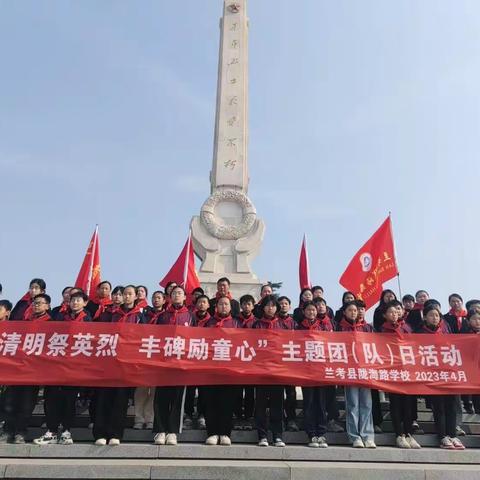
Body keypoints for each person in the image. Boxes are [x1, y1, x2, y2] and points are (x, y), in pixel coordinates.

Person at [34, 292, 92, 446]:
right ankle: (51, 431)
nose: (75, 303)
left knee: (69, 400)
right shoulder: (60, 317)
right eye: (73, 300)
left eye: (78, 300)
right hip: (56, 364)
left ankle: (66, 430)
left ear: (85, 303)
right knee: (51, 399)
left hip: (74, 367)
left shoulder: (87, 319)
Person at [93, 285, 141, 446]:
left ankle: (115, 433)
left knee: (120, 401)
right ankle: (100, 433)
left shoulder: (141, 316)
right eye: (123, 294)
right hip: (108, 362)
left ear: (135, 297)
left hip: (126, 365)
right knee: (103, 399)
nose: (126, 297)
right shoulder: (109, 314)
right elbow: (100, 334)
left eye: (129, 294)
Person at [1, 293, 51, 444]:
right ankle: (7, 431)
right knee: (10, 402)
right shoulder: (24, 322)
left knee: (26, 404)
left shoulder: (51, 323)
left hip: (34, 372)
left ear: (47, 306)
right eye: (35, 303)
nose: (37, 305)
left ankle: (20, 432)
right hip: (17, 370)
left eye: (40, 303)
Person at [414, 303, 465, 450]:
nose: (435, 318)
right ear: (425, 317)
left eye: (437, 315)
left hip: (449, 375)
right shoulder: (419, 333)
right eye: (431, 315)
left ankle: (452, 435)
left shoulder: (446, 331)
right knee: (439, 407)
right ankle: (442, 436)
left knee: (452, 406)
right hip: (433, 376)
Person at [152, 286, 193, 445]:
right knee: (160, 397)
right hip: (164, 362)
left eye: (179, 293)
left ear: (184, 297)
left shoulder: (190, 316)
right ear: (169, 297)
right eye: (174, 293)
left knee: (177, 399)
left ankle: (173, 431)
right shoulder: (162, 316)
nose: (176, 295)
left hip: (181, 363)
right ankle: (160, 431)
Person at [253, 295, 294, 447]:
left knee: (278, 405)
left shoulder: (283, 326)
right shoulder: (257, 325)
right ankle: (262, 435)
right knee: (261, 406)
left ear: (277, 308)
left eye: (273, 305)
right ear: (263, 307)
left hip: (278, 372)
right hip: (261, 372)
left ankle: (278, 435)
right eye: (267, 305)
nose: (270, 308)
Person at [380, 301, 420, 449]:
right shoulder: (382, 330)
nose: (394, 314)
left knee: (408, 405)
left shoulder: (407, 328)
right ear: (385, 315)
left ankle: (409, 434)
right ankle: (399, 435)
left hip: (408, 371)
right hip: (393, 372)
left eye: (397, 311)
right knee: (396, 405)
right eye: (391, 312)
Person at [201, 296, 240, 446]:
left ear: (231, 307)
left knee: (227, 403)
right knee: (211, 402)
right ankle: (212, 432)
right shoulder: (207, 323)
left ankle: (225, 433)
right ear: (216, 307)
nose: (223, 306)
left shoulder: (237, 323)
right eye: (221, 304)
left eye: (226, 304)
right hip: (210, 369)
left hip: (230, 370)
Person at [336, 300, 375, 448]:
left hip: (365, 371)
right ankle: (354, 436)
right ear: (345, 312)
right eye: (350, 310)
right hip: (349, 371)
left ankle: (367, 435)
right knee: (352, 404)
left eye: (355, 310)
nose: (353, 312)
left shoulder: (367, 328)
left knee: (366, 404)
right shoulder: (340, 328)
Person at [297, 300, 331, 448]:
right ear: (304, 312)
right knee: (309, 403)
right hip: (306, 372)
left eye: (314, 310)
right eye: (309, 310)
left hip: (321, 370)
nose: (311, 312)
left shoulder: (323, 327)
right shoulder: (298, 328)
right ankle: (311, 434)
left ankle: (321, 433)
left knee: (321, 404)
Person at [234, 294, 256, 430]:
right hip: (237, 361)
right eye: (244, 304)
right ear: (240, 306)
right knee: (237, 390)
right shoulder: (235, 321)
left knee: (249, 392)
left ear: (253, 306)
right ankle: (237, 416)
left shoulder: (257, 322)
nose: (246, 306)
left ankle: (248, 417)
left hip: (252, 362)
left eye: (249, 304)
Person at [279, 296, 299, 432]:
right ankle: (279, 418)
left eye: (286, 303)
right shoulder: (273, 322)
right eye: (281, 304)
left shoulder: (295, 324)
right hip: (277, 363)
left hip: (291, 363)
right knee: (278, 393)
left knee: (291, 393)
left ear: (290, 306)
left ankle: (291, 419)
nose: (283, 306)